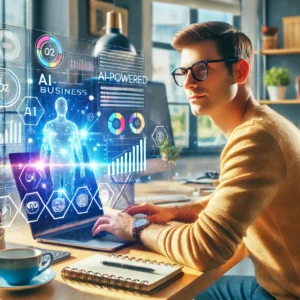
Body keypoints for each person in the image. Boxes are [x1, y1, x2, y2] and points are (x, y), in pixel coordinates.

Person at [92, 22, 300, 300]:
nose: (188, 83)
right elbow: (228, 204)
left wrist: (135, 228)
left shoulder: (255, 138)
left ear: (239, 71)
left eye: (202, 69)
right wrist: (175, 212)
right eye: (183, 72)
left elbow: (206, 249)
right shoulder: (262, 125)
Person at [40, 97, 85, 197]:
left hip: (69, 162)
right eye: (59, 105)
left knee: (69, 191)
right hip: (55, 162)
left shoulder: (73, 126)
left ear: (67, 108)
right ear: (56, 107)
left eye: (63, 105)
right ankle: (57, 211)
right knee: (56, 190)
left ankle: (69, 211)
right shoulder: (49, 125)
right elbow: (44, 146)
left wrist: (82, 165)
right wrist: (41, 166)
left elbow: (78, 147)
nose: (61, 107)